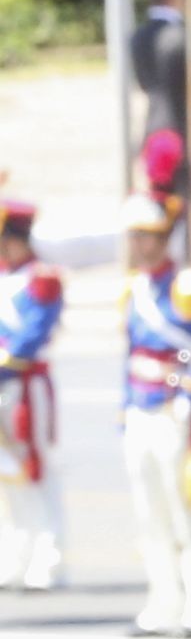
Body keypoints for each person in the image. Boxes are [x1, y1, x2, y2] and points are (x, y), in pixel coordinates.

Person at [121, 189, 191, 637]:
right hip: (141, 408)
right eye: (134, 235)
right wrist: (125, 408)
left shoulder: (185, 288)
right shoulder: (136, 289)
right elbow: (131, 355)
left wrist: (190, 387)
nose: (138, 244)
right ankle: (162, 604)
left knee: (186, 513)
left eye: (146, 235)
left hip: (173, 412)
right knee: (149, 515)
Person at [0, 199, 64, 591]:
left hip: (25, 383)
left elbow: (34, 331)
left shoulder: (42, 279)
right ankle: (15, 555)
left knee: (37, 469)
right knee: (7, 475)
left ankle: (49, 557)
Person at [130, 0, 191, 259]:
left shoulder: (138, 37)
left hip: (153, 129)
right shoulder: (183, 36)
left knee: (159, 207)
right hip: (184, 129)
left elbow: (142, 83)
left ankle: (157, 265)